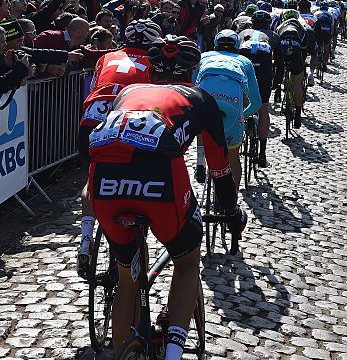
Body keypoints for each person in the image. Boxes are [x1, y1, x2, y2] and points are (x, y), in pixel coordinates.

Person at [87, 35, 246, 358]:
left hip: (104, 175)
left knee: (126, 276)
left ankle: (123, 350)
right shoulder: (200, 97)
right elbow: (219, 169)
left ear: (152, 70)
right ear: (192, 72)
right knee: (187, 262)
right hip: (159, 174)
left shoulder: (129, 92)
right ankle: (174, 354)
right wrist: (230, 210)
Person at [76, 19, 160, 275]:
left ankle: (86, 237)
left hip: (92, 120)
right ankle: (133, 239)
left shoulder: (107, 57)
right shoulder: (154, 62)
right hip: (128, 121)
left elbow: (93, 87)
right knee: (136, 184)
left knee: (93, 180)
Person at [194, 30, 261, 192]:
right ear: (238, 48)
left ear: (215, 46)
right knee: (233, 156)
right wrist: (243, 115)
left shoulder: (204, 56)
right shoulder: (245, 61)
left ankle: (200, 162)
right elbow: (256, 101)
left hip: (205, 100)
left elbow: (192, 87)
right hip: (232, 104)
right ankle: (232, 205)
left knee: (201, 123)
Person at [238, 12, 278, 167]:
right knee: (263, 109)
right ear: (269, 25)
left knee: (241, 102)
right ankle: (262, 153)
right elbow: (279, 63)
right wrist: (276, 84)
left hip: (244, 68)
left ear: (251, 24)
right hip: (264, 72)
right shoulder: (273, 35)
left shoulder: (242, 33)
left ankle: (236, 137)